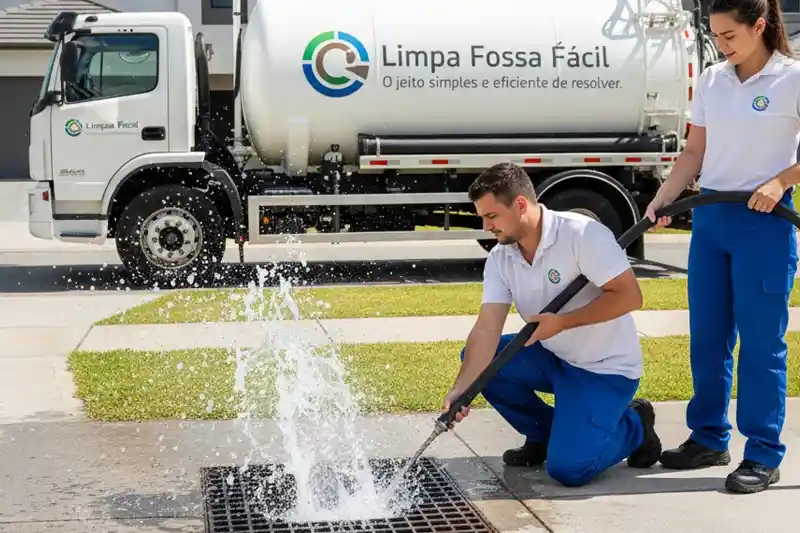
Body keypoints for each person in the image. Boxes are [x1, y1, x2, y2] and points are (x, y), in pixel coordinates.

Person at [644, 0, 800, 494]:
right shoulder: (713, 80)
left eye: (731, 35)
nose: (722, 46)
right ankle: (709, 437)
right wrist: (665, 197)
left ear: (760, 26)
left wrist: (779, 181)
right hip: (711, 221)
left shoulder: (792, 78)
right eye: (715, 36)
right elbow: (695, 151)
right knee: (708, 340)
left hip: (765, 224)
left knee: (760, 346)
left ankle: (763, 453)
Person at [442, 162, 662, 487]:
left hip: (603, 370)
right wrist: (461, 390)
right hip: (552, 357)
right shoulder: (501, 258)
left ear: (519, 205)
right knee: (481, 362)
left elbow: (630, 297)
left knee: (569, 470)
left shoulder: (581, 234)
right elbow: (487, 328)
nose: (486, 226)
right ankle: (543, 434)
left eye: (491, 216)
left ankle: (635, 425)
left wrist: (563, 323)